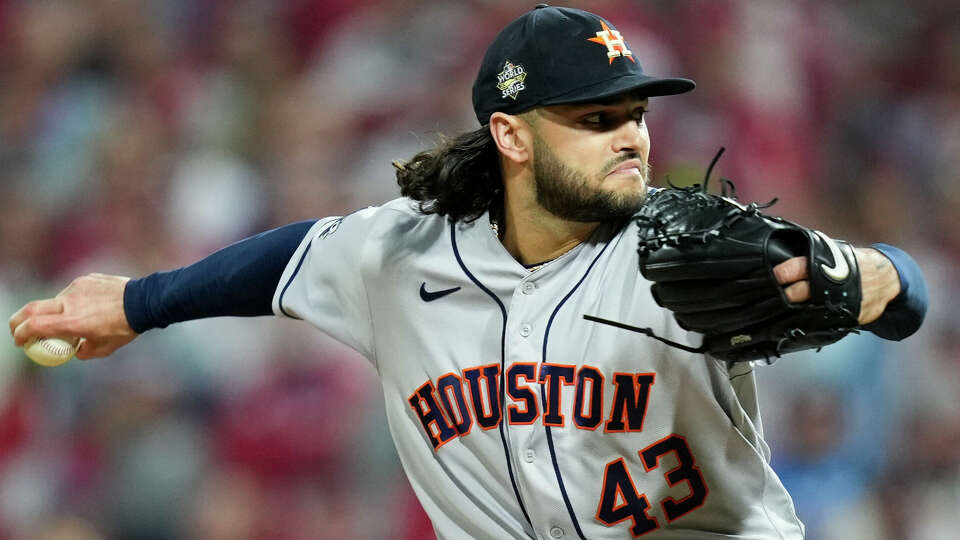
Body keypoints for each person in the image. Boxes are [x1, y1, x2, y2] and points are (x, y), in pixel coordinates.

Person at [9, 5, 927, 539]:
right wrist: (136, 303)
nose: (634, 139)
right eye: (597, 119)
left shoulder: (683, 256)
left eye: (635, 114)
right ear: (511, 135)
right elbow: (285, 258)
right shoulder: (402, 252)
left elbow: (901, 293)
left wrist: (863, 277)